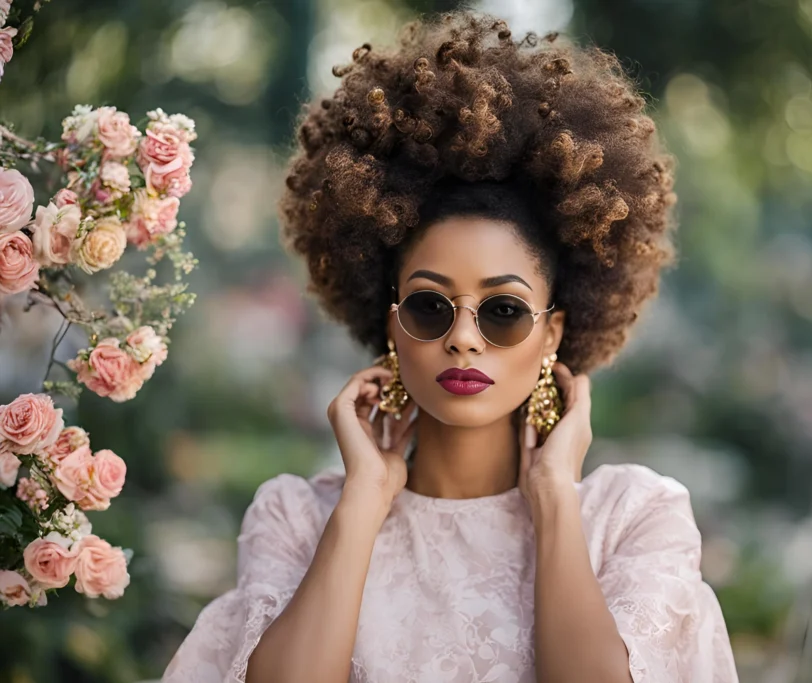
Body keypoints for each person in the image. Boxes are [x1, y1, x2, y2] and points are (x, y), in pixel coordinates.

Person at [162, 9, 738, 683]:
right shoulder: (296, 517)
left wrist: (554, 496)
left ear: (553, 331)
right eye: (432, 307)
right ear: (390, 322)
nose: (464, 338)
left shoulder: (633, 516)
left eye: (502, 311)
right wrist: (364, 501)